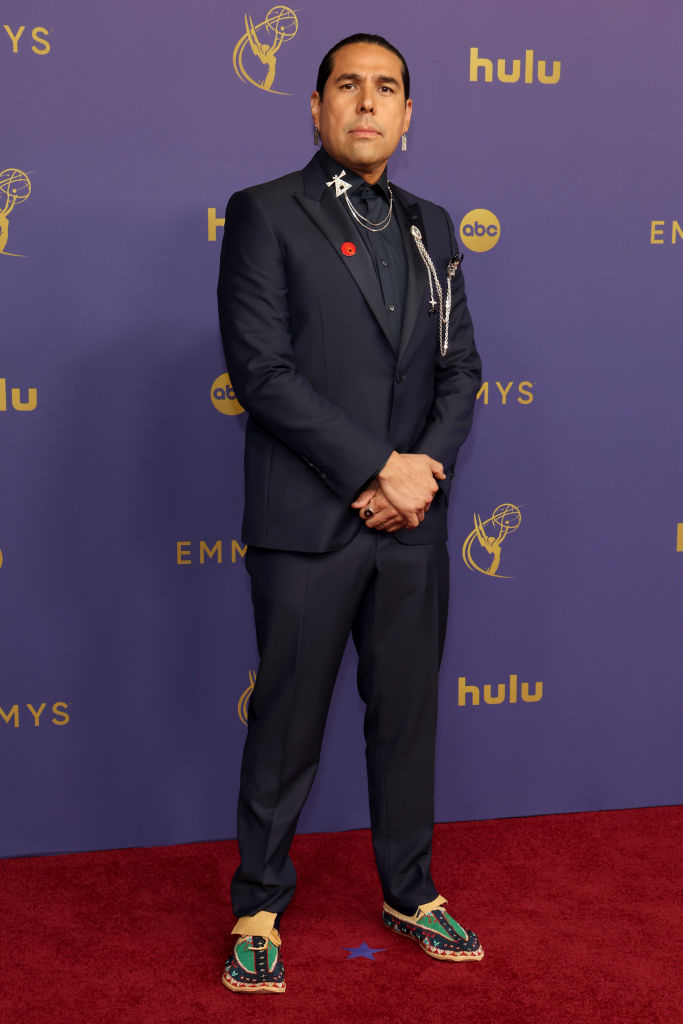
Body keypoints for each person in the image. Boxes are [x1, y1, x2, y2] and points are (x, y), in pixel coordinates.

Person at [217, 33, 483, 994]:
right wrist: (375, 466)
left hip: (411, 524)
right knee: (285, 721)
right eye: (348, 87)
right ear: (317, 105)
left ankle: (409, 892)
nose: (367, 104)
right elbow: (263, 373)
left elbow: (461, 370)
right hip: (306, 522)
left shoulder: (434, 225)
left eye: (387, 90)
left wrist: (418, 475)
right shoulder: (263, 213)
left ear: (408, 115)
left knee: (406, 716)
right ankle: (257, 903)